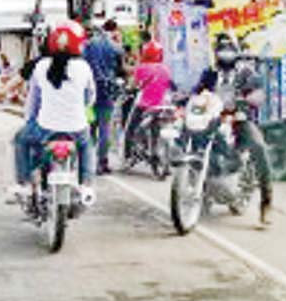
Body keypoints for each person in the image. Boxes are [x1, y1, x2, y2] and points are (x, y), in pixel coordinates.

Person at [11, 21, 96, 203]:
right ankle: (86, 186)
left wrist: (29, 120)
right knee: (87, 144)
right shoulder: (84, 68)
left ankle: (23, 184)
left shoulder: (41, 66)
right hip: (77, 129)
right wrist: (82, 107)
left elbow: (33, 100)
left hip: (45, 128)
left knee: (20, 139)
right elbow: (90, 97)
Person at [194, 33, 273, 226]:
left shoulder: (247, 73)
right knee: (192, 140)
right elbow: (197, 91)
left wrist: (250, 100)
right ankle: (199, 189)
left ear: (236, 51)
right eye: (222, 49)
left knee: (258, 146)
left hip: (239, 120)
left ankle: (266, 202)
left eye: (229, 49)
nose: (225, 54)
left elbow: (259, 93)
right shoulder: (209, 73)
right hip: (212, 120)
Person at [83, 20, 124, 174]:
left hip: (89, 92)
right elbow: (121, 67)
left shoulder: (88, 45)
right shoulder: (113, 46)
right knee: (105, 129)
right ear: (114, 30)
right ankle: (102, 163)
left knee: (90, 127)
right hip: (106, 93)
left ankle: (87, 162)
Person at [124, 39, 175, 146]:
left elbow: (133, 85)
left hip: (144, 106)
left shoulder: (141, 68)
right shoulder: (165, 69)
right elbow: (169, 85)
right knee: (156, 127)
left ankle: (128, 156)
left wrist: (129, 88)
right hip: (163, 106)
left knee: (130, 130)